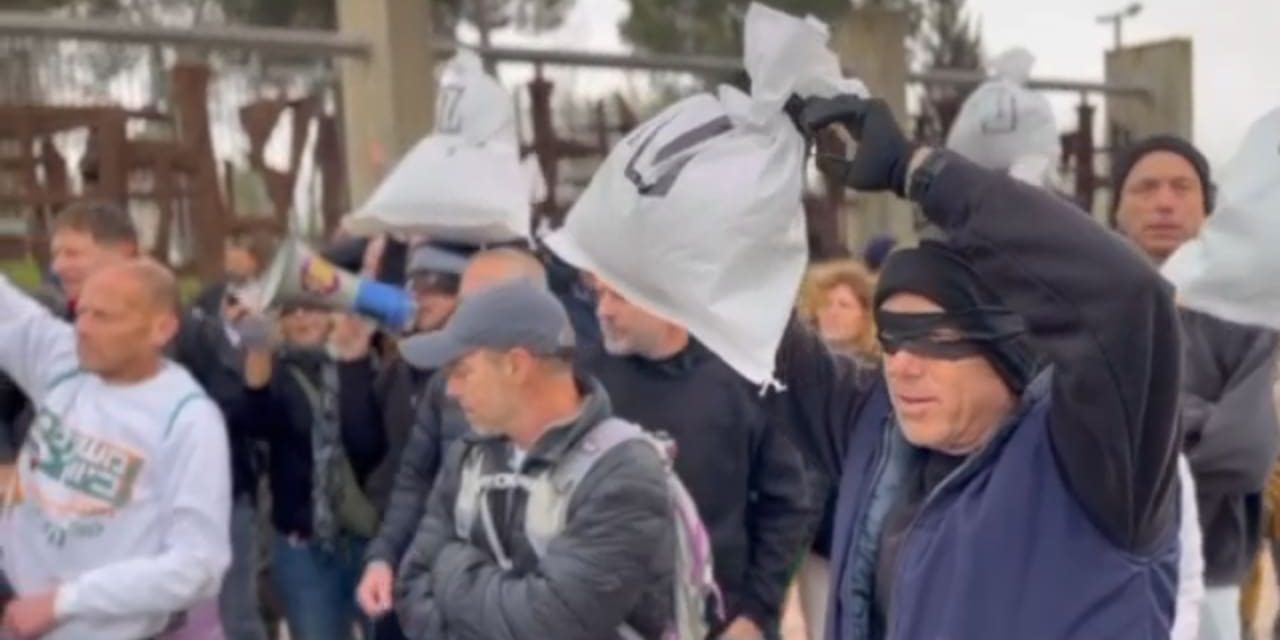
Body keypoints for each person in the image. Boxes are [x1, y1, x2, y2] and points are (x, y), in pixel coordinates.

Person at [754, 95, 1182, 639]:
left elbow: (1127, 301)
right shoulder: (875, 431)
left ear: (1006, 350)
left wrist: (920, 171)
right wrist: (741, 177)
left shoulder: (1099, 461)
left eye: (937, 340)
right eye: (891, 339)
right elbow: (746, 321)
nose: (902, 365)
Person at [393, 280, 678, 639]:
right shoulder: (469, 455)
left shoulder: (623, 473)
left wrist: (451, 565)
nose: (451, 390)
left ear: (516, 365)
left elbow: (548, 626)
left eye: (462, 371)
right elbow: (411, 589)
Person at [0, 260, 231, 640]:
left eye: (103, 316)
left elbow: (198, 565)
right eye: (82, 312)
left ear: (161, 329)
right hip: (18, 618)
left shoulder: (189, 421)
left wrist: (64, 602)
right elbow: (9, 310)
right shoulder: (64, 361)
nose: (83, 327)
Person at [1111, 134, 1280, 640]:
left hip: (1214, 579)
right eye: (1145, 188)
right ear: (1117, 208)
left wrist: (1138, 422)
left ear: (1208, 207)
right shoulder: (1079, 304)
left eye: (1182, 187)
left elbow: (1246, 453)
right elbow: (1072, 435)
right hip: (1099, 573)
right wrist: (1200, 417)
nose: (1164, 201)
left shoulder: (1247, 315)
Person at [581, 277, 812, 639]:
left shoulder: (742, 378)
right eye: (599, 294)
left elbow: (786, 505)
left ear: (669, 299)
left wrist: (756, 613)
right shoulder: (583, 382)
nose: (603, 310)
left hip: (717, 621)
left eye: (620, 296)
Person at [356, 247, 549, 630]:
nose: (464, 318)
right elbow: (416, 482)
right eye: (464, 304)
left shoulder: (574, 403)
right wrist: (384, 558)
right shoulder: (446, 385)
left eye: (480, 305)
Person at [238, 300, 387, 640]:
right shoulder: (276, 372)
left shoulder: (374, 366)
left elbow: (372, 444)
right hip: (304, 545)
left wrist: (355, 359)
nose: (301, 316)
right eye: (291, 310)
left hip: (372, 539)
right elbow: (254, 419)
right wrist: (257, 351)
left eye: (312, 307)